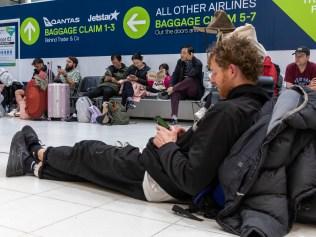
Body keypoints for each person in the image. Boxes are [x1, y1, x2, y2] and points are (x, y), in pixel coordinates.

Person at [6, 36, 270, 204]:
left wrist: (167, 144)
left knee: (88, 152)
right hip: (163, 171)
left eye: (214, 72)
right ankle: (32, 164)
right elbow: (206, 153)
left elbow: (192, 179)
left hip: (159, 178)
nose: (211, 78)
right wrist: (181, 138)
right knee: (89, 165)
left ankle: (36, 151)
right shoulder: (253, 105)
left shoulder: (228, 112)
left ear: (232, 70)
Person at [168, 46, 204, 124]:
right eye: (181, 53)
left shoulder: (198, 63)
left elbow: (191, 75)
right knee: (175, 93)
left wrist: (174, 88)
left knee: (189, 79)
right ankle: (174, 117)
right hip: (183, 90)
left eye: (184, 53)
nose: (181, 55)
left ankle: (174, 89)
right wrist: (171, 85)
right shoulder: (180, 62)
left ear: (191, 54)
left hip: (194, 91)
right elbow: (175, 74)